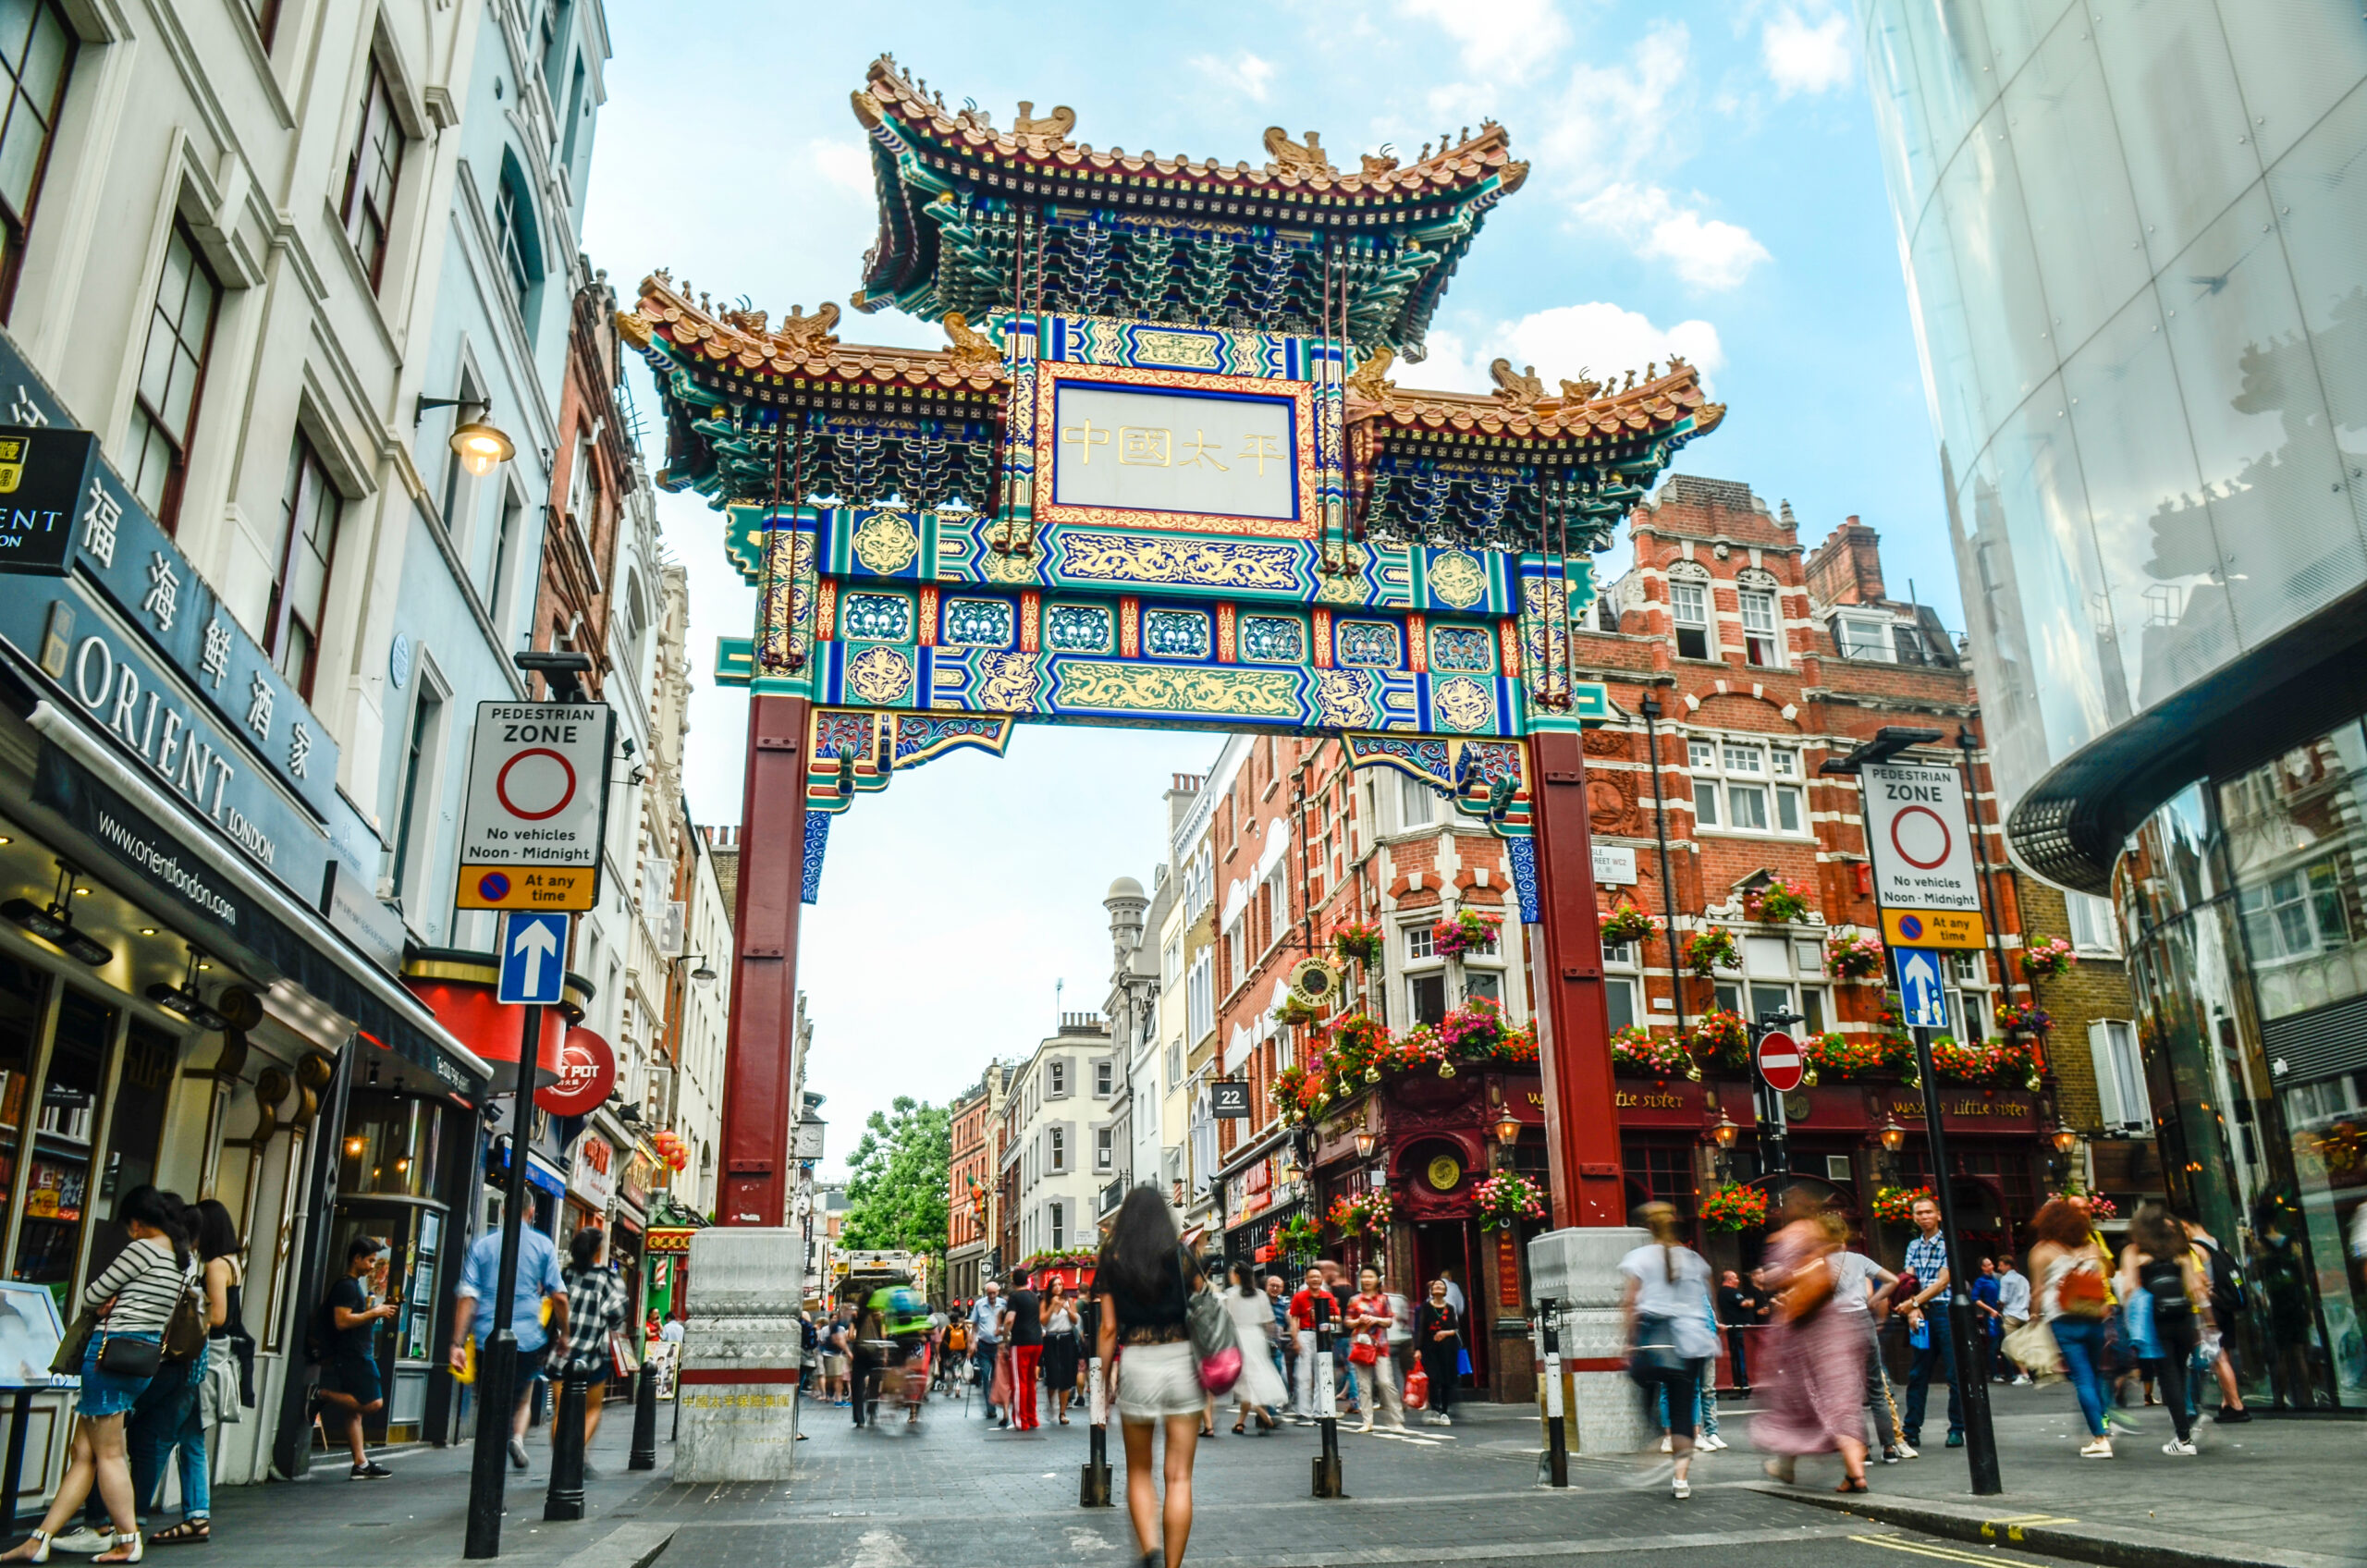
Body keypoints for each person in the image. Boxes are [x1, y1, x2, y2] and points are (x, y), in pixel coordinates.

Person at [3, 1186, 198, 1564]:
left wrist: (112, 1301)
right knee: (84, 1453)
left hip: (109, 1355)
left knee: (108, 1454)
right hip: (140, 1360)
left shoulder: (142, 1249)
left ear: (138, 1222)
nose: (129, 1232)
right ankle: (40, 1539)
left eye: (130, 1225)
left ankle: (127, 1540)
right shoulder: (181, 1257)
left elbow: (93, 1295)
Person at [1093, 1188, 1207, 1568]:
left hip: (1138, 1362)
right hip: (1182, 1362)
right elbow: (1205, 1306)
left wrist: (1102, 1380)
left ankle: (1149, 1551)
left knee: (1139, 1470)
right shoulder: (1181, 1255)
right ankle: (1172, 1566)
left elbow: (1108, 1329)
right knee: (1179, 1477)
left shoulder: (1112, 1257)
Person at [131, 1200, 240, 1545]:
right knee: (190, 1436)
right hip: (214, 1358)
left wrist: (183, 1320)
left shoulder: (215, 1266)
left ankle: (133, 1508)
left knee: (165, 1434)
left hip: (201, 1359)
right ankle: (195, 1515)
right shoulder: (232, 1262)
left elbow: (219, 1317)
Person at [1753, 1192, 1870, 1493]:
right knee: (1840, 1399)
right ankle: (1856, 1472)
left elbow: (1777, 1277)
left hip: (1800, 1328)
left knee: (1794, 1400)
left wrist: (1767, 1280)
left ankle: (1785, 1464)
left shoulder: (1786, 1237)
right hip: (1833, 1325)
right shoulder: (1822, 1234)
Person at [449, 1189, 570, 1472]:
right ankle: (513, 1440)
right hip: (527, 1340)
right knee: (520, 1396)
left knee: (491, 1405)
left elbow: (467, 1295)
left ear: (503, 1212)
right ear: (531, 1213)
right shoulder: (542, 1245)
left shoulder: (482, 1245)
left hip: (486, 1339)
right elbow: (560, 1297)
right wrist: (565, 1333)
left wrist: (456, 1343)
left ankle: (489, 1468)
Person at [1619, 1202, 1716, 1501]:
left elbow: (1631, 1304)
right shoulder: (1694, 1259)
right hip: (1692, 1344)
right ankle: (1681, 1480)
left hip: (1654, 1339)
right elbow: (1708, 1301)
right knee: (1684, 1409)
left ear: (1648, 1227)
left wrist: (1627, 1341)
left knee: (1642, 1384)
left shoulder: (1639, 1258)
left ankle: (1653, 1441)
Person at [2119, 1201, 2214, 1456]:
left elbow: (2128, 1289)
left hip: (2156, 1319)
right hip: (2183, 1318)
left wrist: (2131, 1319)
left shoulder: (2134, 1252)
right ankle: (2186, 1425)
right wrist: (2209, 1320)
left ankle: (2183, 1439)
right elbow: (2196, 1289)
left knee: (2167, 1375)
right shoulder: (2179, 1251)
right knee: (2180, 1374)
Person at [2029, 1196, 2115, 1457]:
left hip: (2064, 1320)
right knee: (2098, 1373)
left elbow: (2037, 1291)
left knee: (2082, 1378)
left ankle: (2100, 1438)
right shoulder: (2090, 1246)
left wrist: (2034, 1317)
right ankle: (2104, 1421)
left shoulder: (2041, 1251)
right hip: (2093, 1316)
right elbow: (2107, 1273)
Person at [318, 1235, 399, 1479]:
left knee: (355, 1412)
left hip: (355, 1351)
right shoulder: (346, 1286)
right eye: (371, 1260)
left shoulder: (354, 1286)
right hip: (355, 1354)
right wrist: (374, 1312)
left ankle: (360, 1463)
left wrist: (372, 1314)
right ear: (356, 1258)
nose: (373, 1266)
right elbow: (342, 1321)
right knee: (373, 1403)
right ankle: (320, 1394)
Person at [553, 1226, 628, 1464]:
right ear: (598, 1251)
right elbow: (618, 1313)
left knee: (561, 1412)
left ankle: (561, 1463)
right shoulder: (607, 1278)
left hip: (561, 1353)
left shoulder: (565, 1274)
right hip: (592, 1355)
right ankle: (573, 1458)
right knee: (592, 1409)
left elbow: (552, 1301)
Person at [1829, 1234, 1904, 1462]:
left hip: (1840, 1324)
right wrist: (1871, 1302)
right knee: (1876, 1388)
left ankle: (1864, 1450)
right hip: (1863, 1321)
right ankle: (1889, 1448)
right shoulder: (1859, 1259)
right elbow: (1893, 1280)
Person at [1897, 1194, 1962, 1451]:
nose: (1924, 1216)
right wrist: (1914, 1309)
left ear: (1938, 1215)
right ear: (1914, 1217)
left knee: (1954, 1372)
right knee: (1917, 1371)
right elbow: (1908, 1281)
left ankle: (1957, 1428)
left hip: (1945, 1312)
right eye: (1919, 1213)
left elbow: (1943, 1281)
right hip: (1922, 1314)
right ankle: (1911, 1430)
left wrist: (1913, 1304)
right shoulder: (1913, 1246)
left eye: (1928, 1212)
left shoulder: (1948, 1243)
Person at [2179, 1214, 2250, 1423]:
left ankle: (2237, 1406)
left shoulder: (2194, 1249)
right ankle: (2226, 1403)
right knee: (2223, 1355)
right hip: (2226, 1306)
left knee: (2218, 1358)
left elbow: (2199, 1281)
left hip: (2211, 1308)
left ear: (2185, 1225)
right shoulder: (2218, 1244)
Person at [1220, 1264, 1284, 1433]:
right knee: (1255, 1377)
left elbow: (1225, 1320)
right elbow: (1269, 1321)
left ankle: (1263, 1415)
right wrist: (1271, 1340)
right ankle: (1241, 1421)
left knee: (1244, 1380)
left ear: (1236, 1276)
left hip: (1238, 1336)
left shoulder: (1231, 1295)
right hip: (1257, 1337)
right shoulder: (1260, 1295)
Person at [1345, 1267, 1407, 1433]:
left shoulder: (1383, 1299)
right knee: (1364, 1385)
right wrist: (1358, 1320)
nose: (1366, 1280)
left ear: (1377, 1280)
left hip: (1380, 1347)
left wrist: (1375, 1319)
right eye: (1364, 1277)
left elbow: (1389, 1321)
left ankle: (1396, 1420)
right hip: (1360, 1346)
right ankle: (1367, 1422)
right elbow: (1347, 1322)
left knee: (1385, 1382)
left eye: (1370, 1277)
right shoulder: (1354, 1300)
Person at [1413, 1278, 1463, 1427]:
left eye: (1442, 1285)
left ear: (1445, 1291)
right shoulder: (1426, 1308)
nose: (1439, 1287)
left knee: (1447, 1380)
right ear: (1432, 1291)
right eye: (1436, 1285)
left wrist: (1445, 1333)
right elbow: (1420, 1329)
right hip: (1430, 1348)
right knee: (1434, 1379)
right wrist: (1418, 1348)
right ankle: (1435, 1408)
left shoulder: (1450, 1308)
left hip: (1448, 1348)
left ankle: (1445, 1412)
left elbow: (1455, 1329)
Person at [1001, 1268, 1044, 1431]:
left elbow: (1009, 1320)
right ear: (1027, 1280)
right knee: (1031, 1381)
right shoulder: (1034, 1297)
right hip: (1037, 1341)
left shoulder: (1014, 1297)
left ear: (1013, 1282)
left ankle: (1021, 1420)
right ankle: (1032, 1418)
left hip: (1021, 1342)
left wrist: (1005, 1336)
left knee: (1019, 1383)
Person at [1041, 1284, 1081, 1425]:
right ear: (1050, 1288)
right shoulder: (1045, 1302)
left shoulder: (1069, 1301)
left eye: (1060, 1284)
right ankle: (1052, 1405)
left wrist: (1067, 1309)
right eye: (1055, 1285)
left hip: (1066, 1338)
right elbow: (1043, 1321)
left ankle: (1062, 1412)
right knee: (1052, 1375)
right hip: (1051, 1339)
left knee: (1065, 1376)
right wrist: (1052, 1306)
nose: (1058, 1287)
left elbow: (1076, 1320)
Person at [1716, 1269, 1760, 1393]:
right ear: (1729, 1280)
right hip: (1740, 1329)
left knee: (1740, 1357)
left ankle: (1742, 1385)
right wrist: (1752, 1301)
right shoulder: (1730, 1291)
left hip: (1737, 1329)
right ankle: (1744, 1385)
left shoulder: (1723, 1293)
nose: (1738, 1281)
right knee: (1743, 1357)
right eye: (1735, 1278)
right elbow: (1745, 1303)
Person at [1995, 1256, 2033, 1385]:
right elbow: (2029, 1297)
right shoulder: (2023, 1279)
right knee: (2024, 1345)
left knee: (2011, 1347)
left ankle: (2024, 1375)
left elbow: (2003, 1299)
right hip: (2024, 1314)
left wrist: (1998, 1303)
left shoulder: (2005, 1280)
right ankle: (2030, 1372)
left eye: (2000, 1265)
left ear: (2007, 1265)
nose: (1999, 1268)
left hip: (2011, 1315)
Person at [969, 1281, 1002, 1421]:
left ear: (998, 1292)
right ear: (986, 1293)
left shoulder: (1003, 1305)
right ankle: (990, 1408)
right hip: (983, 1346)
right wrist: (972, 1343)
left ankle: (994, 1401)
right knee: (985, 1376)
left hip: (998, 1346)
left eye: (994, 1293)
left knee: (996, 1378)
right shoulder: (979, 1305)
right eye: (989, 1293)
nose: (992, 1296)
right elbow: (974, 1325)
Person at [1262, 1277, 1292, 1409]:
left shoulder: (1284, 1303)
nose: (1275, 1289)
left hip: (1276, 1344)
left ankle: (1276, 1402)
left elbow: (1290, 1320)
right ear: (1266, 1286)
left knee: (1278, 1371)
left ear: (1282, 1288)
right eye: (1272, 1285)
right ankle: (1269, 1406)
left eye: (1278, 1286)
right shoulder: (1261, 1301)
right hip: (1261, 1343)